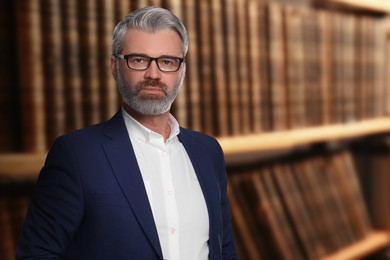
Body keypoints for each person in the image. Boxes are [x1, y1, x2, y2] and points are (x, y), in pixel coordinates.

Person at [16, 6, 238, 260]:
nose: (153, 74)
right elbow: (37, 254)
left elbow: (225, 250)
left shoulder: (208, 151)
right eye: (139, 60)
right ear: (114, 66)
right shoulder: (76, 155)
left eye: (167, 61)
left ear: (182, 71)